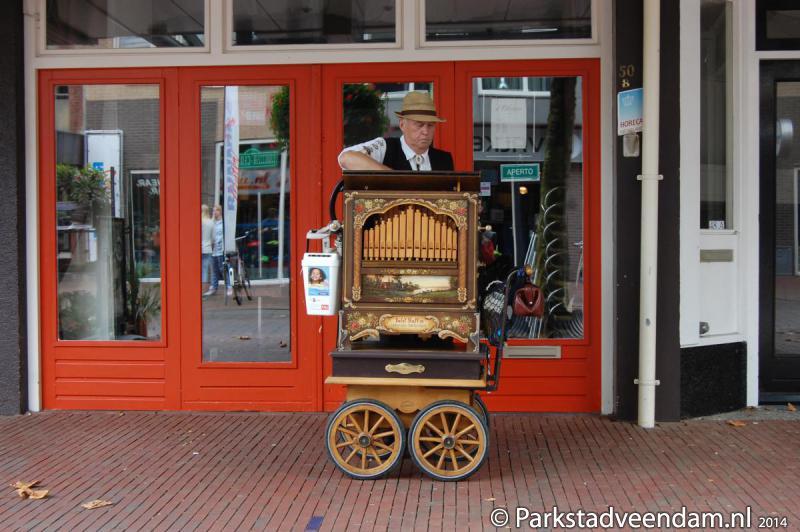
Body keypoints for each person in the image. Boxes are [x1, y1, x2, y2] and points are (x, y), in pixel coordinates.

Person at [337, 91, 454, 171]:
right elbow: (346, 157)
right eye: (419, 124)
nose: (425, 131)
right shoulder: (384, 147)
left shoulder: (444, 159)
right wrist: (394, 178)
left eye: (430, 125)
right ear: (402, 125)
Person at [204, 205, 225, 297]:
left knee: (222, 269)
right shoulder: (212, 223)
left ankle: (229, 286)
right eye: (213, 211)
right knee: (214, 270)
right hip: (213, 250)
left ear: (220, 212)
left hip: (221, 250)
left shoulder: (223, 223)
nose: (214, 212)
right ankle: (213, 288)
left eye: (216, 210)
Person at [200, 204, 214, 295]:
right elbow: (213, 237)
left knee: (198, 269)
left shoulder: (199, 221)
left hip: (199, 248)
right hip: (208, 248)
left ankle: (198, 288)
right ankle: (204, 290)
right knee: (206, 269)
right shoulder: (211, 222)